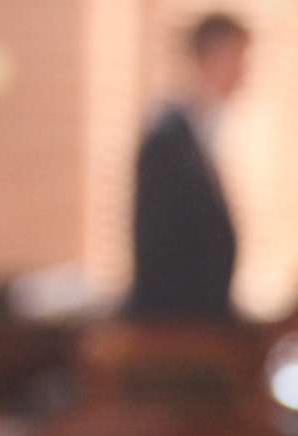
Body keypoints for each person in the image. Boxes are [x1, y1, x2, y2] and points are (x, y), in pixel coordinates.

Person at [124, 12, 251, 322]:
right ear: (214, 57)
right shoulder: (167, 142)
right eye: (239, 60)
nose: (244, 74)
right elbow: (160, 250)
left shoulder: (200, 135)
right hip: (177, 329)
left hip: (206, 321)